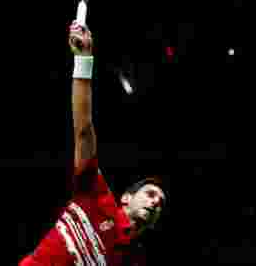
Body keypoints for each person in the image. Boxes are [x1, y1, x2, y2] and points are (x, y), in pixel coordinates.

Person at [19, 22, 168, 266]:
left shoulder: (134, 261)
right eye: (151, 194)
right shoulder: (96, 196)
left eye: (160, 204)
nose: (155, 203)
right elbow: (84, 132)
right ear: (126, 198)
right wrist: (84, 59)